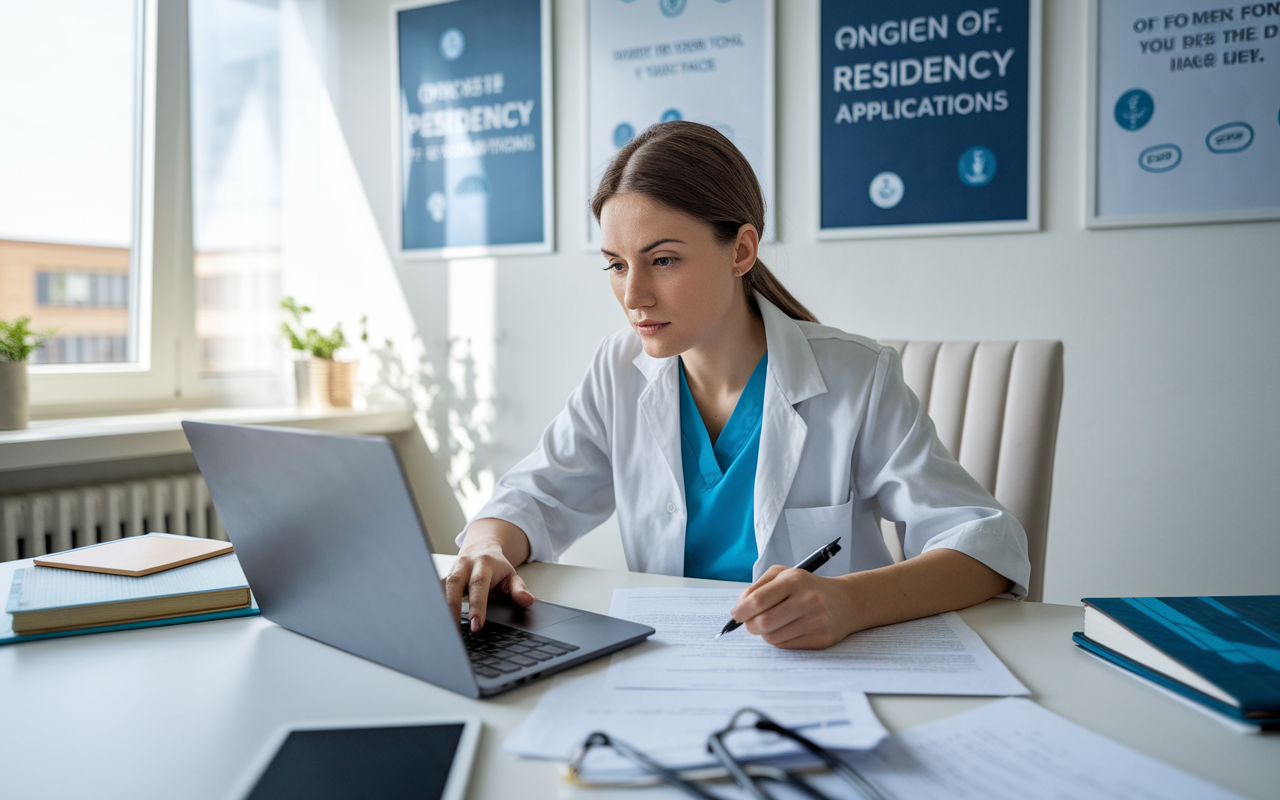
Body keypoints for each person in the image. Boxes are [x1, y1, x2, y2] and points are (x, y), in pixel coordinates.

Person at [445, 121, 1029, 650]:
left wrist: (850, 602)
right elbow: (538, 496)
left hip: (821, 673)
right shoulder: (619, 370)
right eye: (617, 265)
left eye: (664, 260)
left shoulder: (856, 377)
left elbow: (987, 546)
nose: (634, 297)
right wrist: (485, 549)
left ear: (741, 250)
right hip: (674, 668)